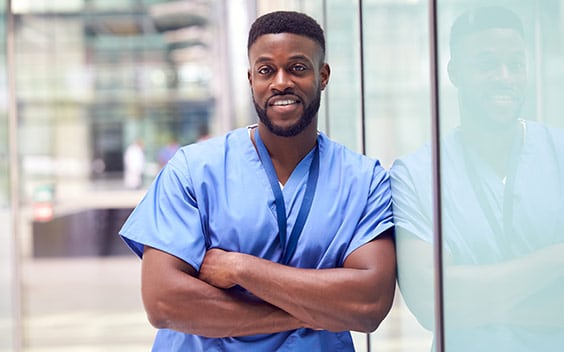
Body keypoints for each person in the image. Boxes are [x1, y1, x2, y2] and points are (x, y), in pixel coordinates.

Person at [119, 10, 396, 351]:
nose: (281, 82)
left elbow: (368, 304)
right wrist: (311, 311)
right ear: (251, 79)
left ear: (323, 76)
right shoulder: (193, 170)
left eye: (297, 67)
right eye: (266, 70)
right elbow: (164, 303)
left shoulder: (365, 181)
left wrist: (240, 268)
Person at [391, 6, 564, 352]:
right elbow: (430, 303)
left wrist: (474, 302)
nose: (505, 77)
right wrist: (556, 259)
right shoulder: (416, 174)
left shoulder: (558, 154)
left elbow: (449, 300)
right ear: (454, 73)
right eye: (487, 65)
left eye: (515, 64)